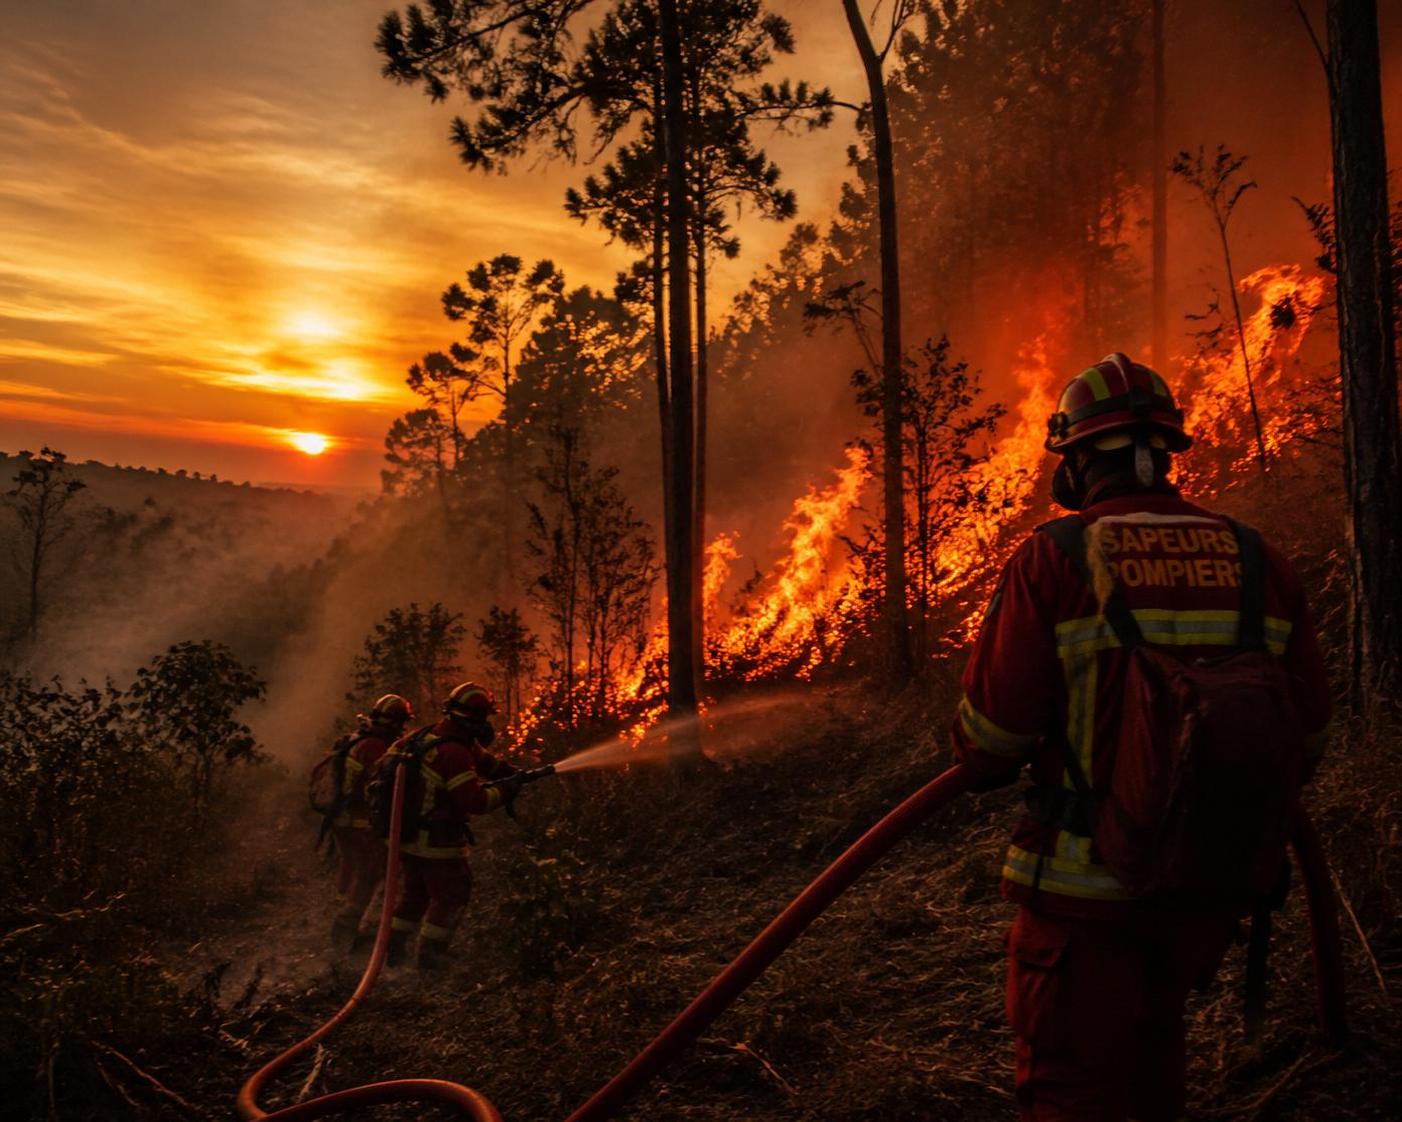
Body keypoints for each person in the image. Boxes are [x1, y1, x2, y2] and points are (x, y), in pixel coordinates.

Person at [951, 353, 1331, 1122]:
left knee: (1072, 1092)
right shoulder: (1260, 561)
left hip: (1083, 907)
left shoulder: (1054, 560)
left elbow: (990, 740)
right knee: (1156, 1069)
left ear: (1080, 460)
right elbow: (1308, 741)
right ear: (1165, 457)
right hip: (1205, 890)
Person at [378, 681, 519, 971]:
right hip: (437, 843)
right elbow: (475, 801)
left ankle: (393, 950)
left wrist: (512, 773)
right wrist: (508, 791)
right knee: (452, 894)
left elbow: (485, 762)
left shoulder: (431, 735)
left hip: (408, 837)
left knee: (415, 895)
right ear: (475, 718)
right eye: (485, 717)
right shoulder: (454, 752)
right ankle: (431, 956)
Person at [319, 693, 413, 948]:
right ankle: (347, 929)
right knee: (371, 873)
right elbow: (376, 790)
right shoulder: (375, 747)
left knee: (354, 869)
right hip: (359, 823)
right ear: (395, 723)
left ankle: (341, 921)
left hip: (342, 819)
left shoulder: (359, 738)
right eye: (401, 723)